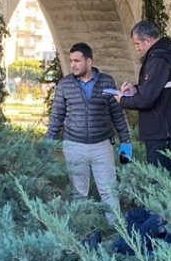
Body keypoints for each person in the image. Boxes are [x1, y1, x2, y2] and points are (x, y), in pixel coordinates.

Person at [45, 42, 132, 222]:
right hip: (73, 146)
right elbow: (57, 116)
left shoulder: (107, 81)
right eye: (71, 61)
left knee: (109, 192)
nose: (73, 65)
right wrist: (47, 143)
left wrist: (126, 142)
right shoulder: (65, 84)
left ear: (89, 61)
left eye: (77, 61)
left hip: (102, 146)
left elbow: (117, 113)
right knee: (78, 194)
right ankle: (82, 233)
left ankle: (116, 232)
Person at [115, 20, 171, 170]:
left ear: (147, 40)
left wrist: (123, 100)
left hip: (164, 134)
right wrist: (136, 89)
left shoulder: (158, 60)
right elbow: (159, 88)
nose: (136, 49)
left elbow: (145, 100)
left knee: (161, 182)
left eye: (137, 44)